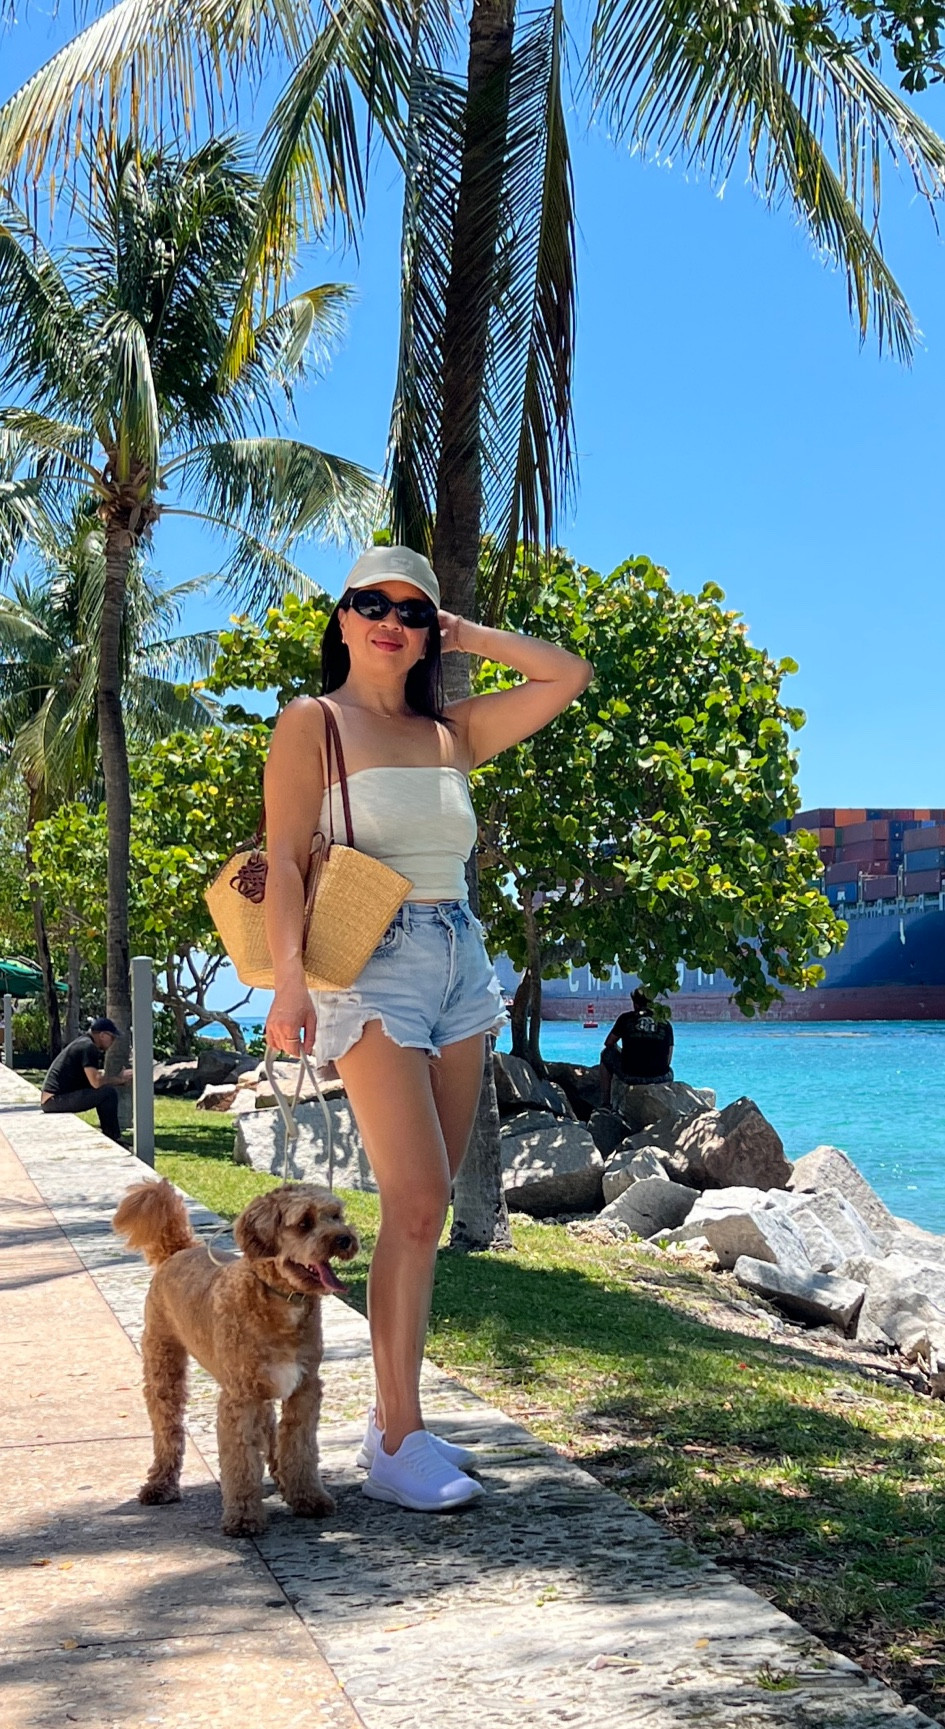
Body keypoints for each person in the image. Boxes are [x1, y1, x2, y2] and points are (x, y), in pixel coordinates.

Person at [263, 545, 592, 1513]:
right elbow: (283, 862)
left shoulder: (449, 734)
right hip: (371, 966)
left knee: (431, 1209)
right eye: (370, 602)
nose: (388, 620)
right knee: (409, 1199)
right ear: (341, 614)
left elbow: (563, 674)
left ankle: (395, 1423)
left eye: (411, 610)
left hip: (459, 958)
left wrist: (468, 633)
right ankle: (397, 1438)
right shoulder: (311, 724)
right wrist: (288, 984)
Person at [40, 1017, 131, 1143]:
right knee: (108, 1093)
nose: (113, 1042)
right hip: (54, 1101)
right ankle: (113, 1138)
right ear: (103, 1035)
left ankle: (111, 1135)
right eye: (112, 1037)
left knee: (105, 1091)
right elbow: (96, 1082)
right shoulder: (88, 1047)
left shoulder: (83, 1043)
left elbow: (92, 1079)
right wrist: (119, 1079)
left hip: (52, 1099)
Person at [599, 988, 675, 1105]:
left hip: (632, 1076)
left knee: (606, 1053)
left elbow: (608, 1043)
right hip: (661, 1077)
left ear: (635, 1003)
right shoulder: (665, 1023)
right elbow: (668, 1060)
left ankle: (605, 1103)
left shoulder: (625, 1019)